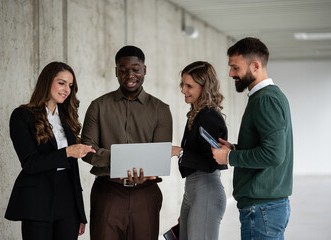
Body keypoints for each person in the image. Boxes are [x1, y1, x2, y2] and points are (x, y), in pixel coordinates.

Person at [81, 45, 172, 240]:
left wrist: (140, 169)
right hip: (108, 193)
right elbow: (87, 150)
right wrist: (120, 159)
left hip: (145, 195)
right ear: (116, 72)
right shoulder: (98, 106)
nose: (130, 75)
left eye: (135, 69)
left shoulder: (161, 110)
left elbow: (160, 156)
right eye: (123, 70)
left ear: (144, 70)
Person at [212, 37, 293, 240]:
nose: (231, 74)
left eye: (235, 68)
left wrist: (230, 158)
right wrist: (235, 149)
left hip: (262, 208)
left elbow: (274, 155)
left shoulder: (265, 99)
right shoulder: (267, 97)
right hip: (265, 207)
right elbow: (266, 146)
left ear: (255, 65)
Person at [5, 61, 95, 240]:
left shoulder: (67, 119)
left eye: (70, 85)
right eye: (61, 83)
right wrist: (67, 152)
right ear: (47, 82)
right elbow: (30, 163)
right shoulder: (22, 116)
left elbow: (74, 172)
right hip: (38, 199)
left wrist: (80, 212)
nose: (67, 90)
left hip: (68, 200)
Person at [171, 61, 228, 240]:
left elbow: (212, 163)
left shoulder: (210, 116)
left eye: (189, 86)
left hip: (206, 191)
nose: (183, 90)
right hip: (193, 192)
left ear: (204, 87)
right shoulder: (197, 114)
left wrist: (180, 152)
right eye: (182, 84)